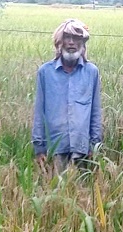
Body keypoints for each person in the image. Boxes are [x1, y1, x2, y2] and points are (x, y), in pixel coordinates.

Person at [32, 19, 102, 172]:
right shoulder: (46, 72)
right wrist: (39, 147)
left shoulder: (91, 72)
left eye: (76, 38)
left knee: (82, 193)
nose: (71, 42)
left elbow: (95, 111)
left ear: (82, 43)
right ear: (59, 42)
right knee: (55, 191)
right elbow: (39, 112)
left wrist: (94, 144)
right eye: (67, 38)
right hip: (55, 146)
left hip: (82, 147)